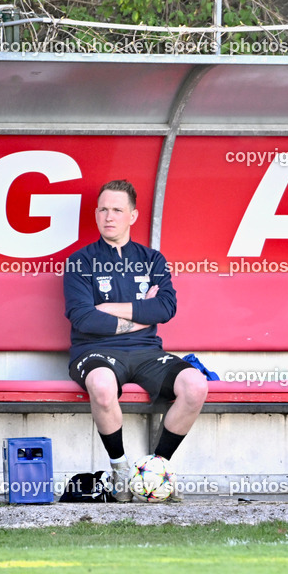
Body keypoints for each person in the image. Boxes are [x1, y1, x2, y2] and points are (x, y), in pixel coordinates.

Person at [64, 180, 208, 501]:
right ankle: (121, 473)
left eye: (117, 210)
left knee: (196, 386)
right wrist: (142, 314)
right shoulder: (80, 262)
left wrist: (109, 310)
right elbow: (84, 318)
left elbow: (165, 308)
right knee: (101, 386)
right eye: (103, 209)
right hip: (94, 351)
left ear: (133, 215)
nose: (108, 216)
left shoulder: (153, 260)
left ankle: (156, 471)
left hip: (146, 353)